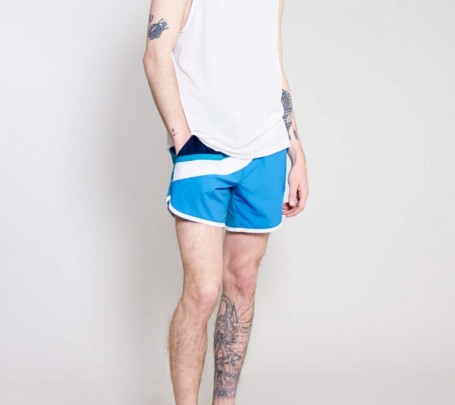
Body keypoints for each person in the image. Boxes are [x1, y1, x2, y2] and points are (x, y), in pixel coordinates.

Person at [143, 0, 308, 403]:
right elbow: (155, 54)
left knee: (243, 282)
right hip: (202, 147)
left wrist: (296, 148)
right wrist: (183, 141)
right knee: (202, 291)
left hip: (267, 148)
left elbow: (274, 65)